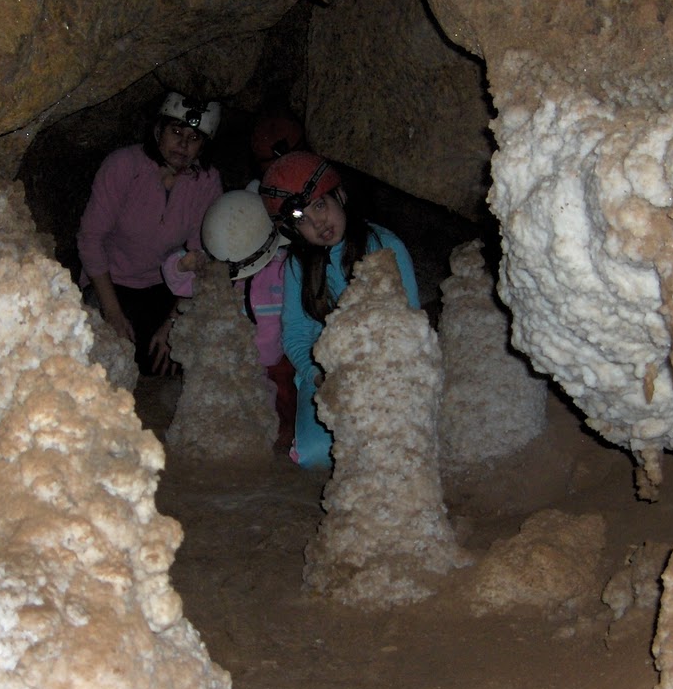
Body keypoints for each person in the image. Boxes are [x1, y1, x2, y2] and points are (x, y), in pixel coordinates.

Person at [260, 151, 420, 469]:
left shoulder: (385, 247)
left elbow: (410, 324)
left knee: (387, 449)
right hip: (325, 374)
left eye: (320, 205)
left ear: (340, 196)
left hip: (383, 371)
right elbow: (296, 331)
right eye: (301, 219)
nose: (317, 223)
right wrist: (319, 377)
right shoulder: (298, 264)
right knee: (316, 456)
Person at [77, 92, 224, 376]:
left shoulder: (206, 182)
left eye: (194, 138)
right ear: (159, 131)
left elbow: (200, 259)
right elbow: (90, 238)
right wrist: (112, 312)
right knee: (103, 355)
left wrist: (174, 325)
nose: (182, 144)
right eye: (176, 131)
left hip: (167, 285)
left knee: (180, 356)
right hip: (111, 281)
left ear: (203, 147)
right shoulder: (124, 166)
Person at [163, 190, 297, 452]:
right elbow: (178, 284)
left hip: (278, 364)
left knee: (283, 421)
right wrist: (182, 265)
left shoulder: (284, 269)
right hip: (235, 368)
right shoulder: (220, 274)